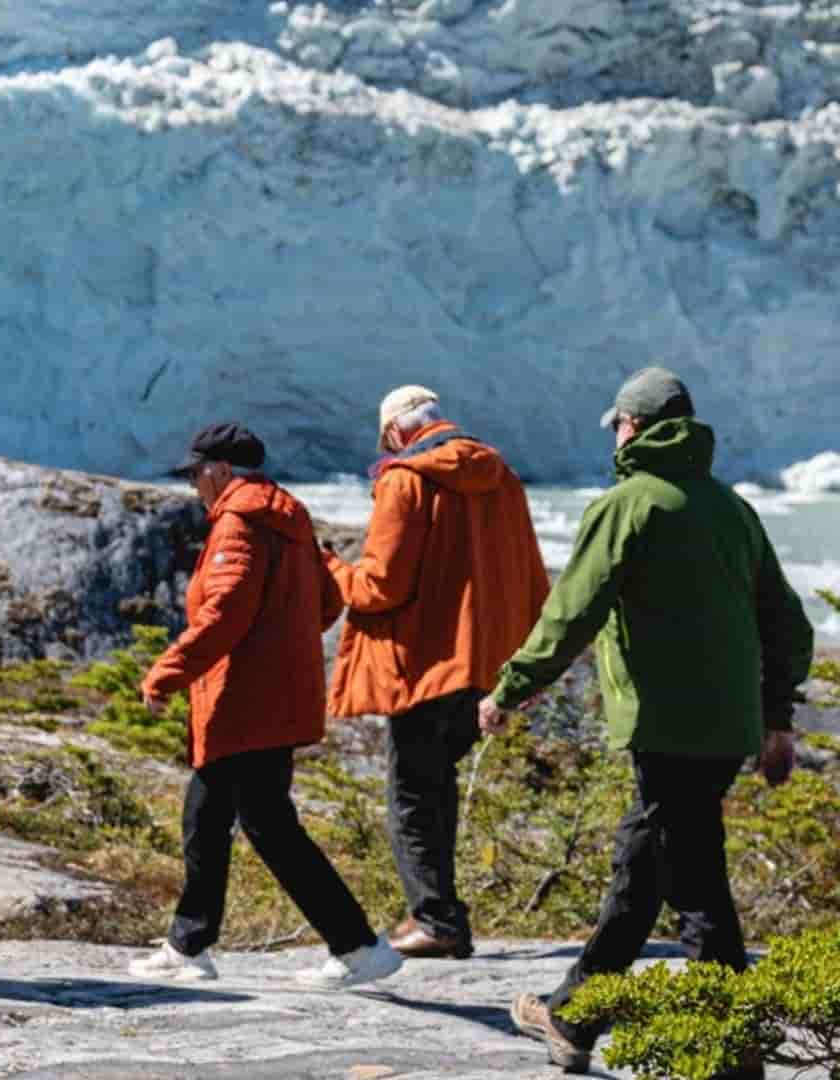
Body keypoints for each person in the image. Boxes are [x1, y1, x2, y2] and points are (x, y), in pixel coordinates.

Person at [483, 368, 812, 1076]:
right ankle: (576, 1016)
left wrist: (511, 688)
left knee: (687, 879)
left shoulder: (627, 505)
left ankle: (727, 1040)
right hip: (728, 725)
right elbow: (787, 621)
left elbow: (573, 610)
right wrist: (777, 720)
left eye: (617, 426)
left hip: (664, 721)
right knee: (654, 861)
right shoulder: (731, 509)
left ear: (633, 426)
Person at [129, 423, 402, 990]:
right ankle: (345, 945)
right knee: (254, 824)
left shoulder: (239, 523)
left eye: (196, 474)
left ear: (222, 471)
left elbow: (224, 613)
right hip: (274, 697)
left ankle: (200, 946)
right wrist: (283, 643)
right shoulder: (291, 518)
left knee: (218, 822)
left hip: (242, 700)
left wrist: (166, 673)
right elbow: (326, 601)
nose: (194, 486)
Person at [323, 386, 549, 959]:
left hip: (424, 667)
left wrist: (327, 569)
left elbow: (380, 586)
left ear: (396, 433)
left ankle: (435, 920)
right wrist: (525, 670)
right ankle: (444, 916)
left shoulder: (406, 480)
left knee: (414, 795)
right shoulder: (503, 478)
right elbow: (531, 580)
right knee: (438, 788)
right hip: (486, 671)